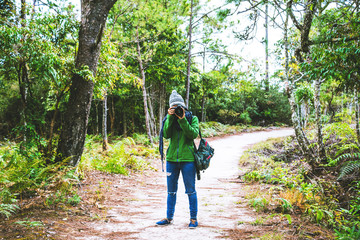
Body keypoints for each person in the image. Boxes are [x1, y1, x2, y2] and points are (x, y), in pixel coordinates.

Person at [156, 90, 199, 229]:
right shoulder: (169, 119)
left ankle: (193, 219)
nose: (177, 110)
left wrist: (183, 120)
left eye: (179, 107)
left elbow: (192, 134)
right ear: (170, 108)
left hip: (188, 160)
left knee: (190, 190)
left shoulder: (192, 118)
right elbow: (166, 134)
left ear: (184, 107)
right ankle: (169, 217)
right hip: (172, 160)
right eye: (174, 107)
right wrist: (170, 117)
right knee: (171, 191)